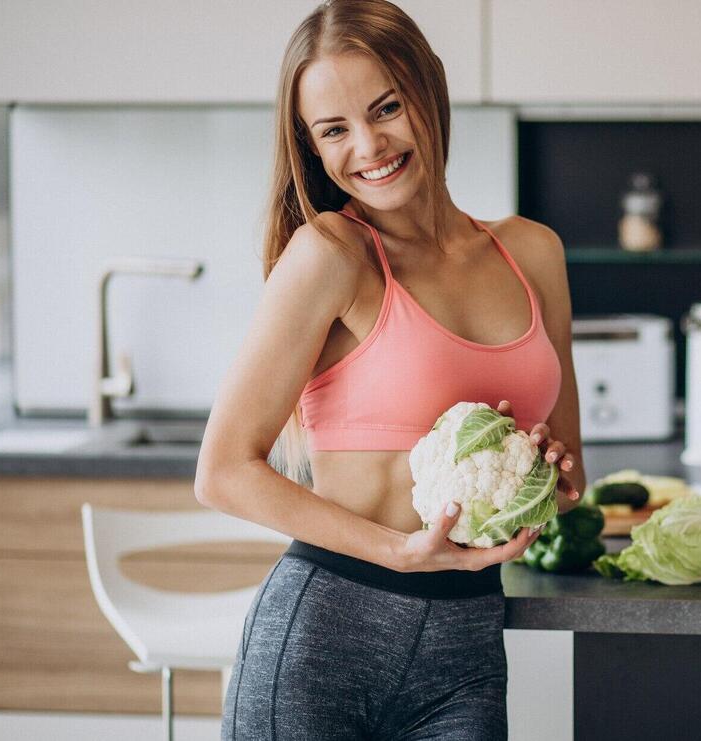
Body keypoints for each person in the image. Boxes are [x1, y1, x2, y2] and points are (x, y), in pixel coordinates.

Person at [194, 1, 585, 738]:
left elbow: (570, 487)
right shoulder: (332, 254)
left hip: (466, 648)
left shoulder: (532, 252)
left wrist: (548, 481)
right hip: (325, 637)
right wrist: (403, 553)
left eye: (386, 108)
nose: (369, 145)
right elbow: (221, 470)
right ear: (311, 146)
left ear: (428, 90)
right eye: (334, 130)